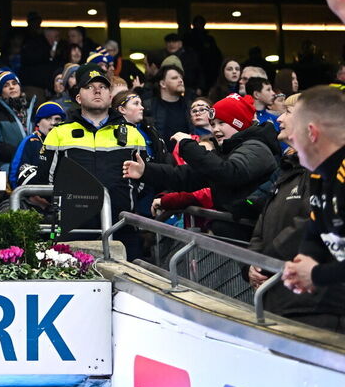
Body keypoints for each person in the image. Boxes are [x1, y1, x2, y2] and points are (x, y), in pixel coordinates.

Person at [247, 93, 345, 330]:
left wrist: (272, 262)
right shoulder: (304, 171)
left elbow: (306, 227)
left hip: (320, 304)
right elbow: (309, 226)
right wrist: (256, 261)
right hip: (285, 295)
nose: (280, 119)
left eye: (289, 113)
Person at [124, 93, 280, 240]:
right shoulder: (229, 151)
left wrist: (188, 145)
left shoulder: (257, 147)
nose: (215, 129)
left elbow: (228, 173)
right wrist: (146, 171)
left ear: (238, 123)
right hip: (238, 233)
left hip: (253, 236)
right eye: (213, 124)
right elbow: (185, 176)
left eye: (222, 122)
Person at [31, 65, 148, 254]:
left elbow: (143, 181)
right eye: (89, 86)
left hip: (122, 228)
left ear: (110, 97)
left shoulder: (134, 134)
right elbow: (46, 180)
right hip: (74, 228)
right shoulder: (59, 133)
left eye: (102, 87)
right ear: (78, 97)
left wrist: (124, 200)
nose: (97, 90)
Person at [280, 84, 345, 296]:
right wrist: (301, 265)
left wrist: (316, 275)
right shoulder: (320, 174)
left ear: (311, 133)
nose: (292, 140)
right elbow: (315, 231)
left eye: (294, 131)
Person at [9, 100, 68, 189]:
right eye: (48, 118)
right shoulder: (30, 141)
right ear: (38, 122)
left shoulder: (66, 143)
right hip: (31, 197)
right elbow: (15, 174)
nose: (53, 123)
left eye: (57, 119)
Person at [144, 64, 191, 137]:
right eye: (174, 78)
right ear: (163, 84)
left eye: (181, 78)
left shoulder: (189, 106)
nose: (181, 80)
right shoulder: (148, 106)